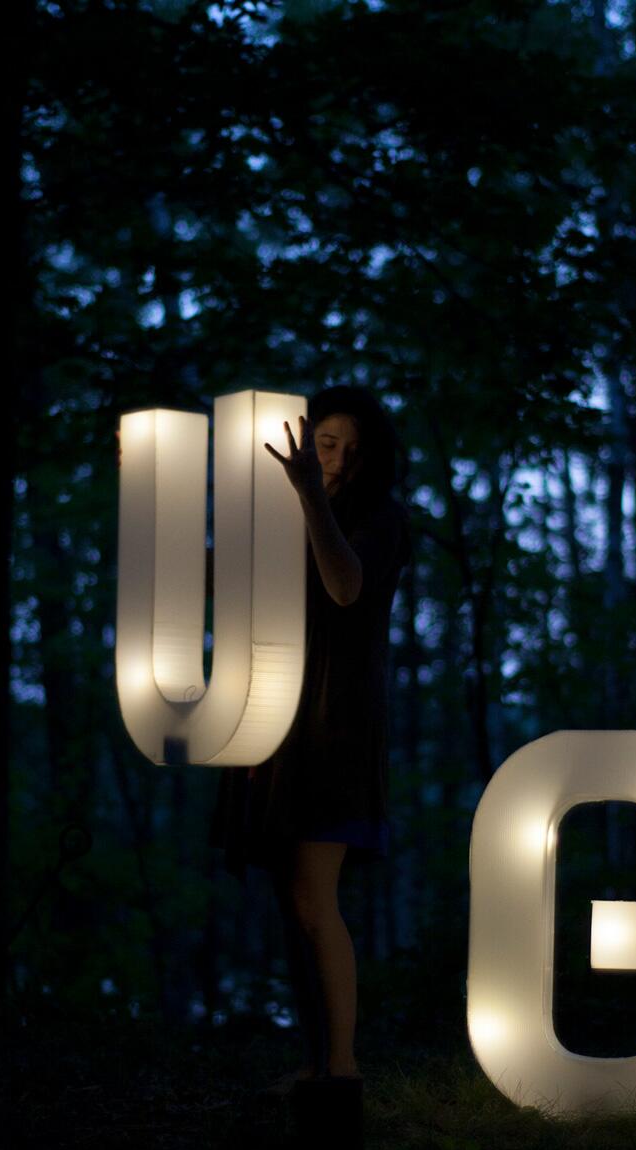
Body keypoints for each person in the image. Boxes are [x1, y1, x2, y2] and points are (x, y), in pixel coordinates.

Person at [207, 385, 413, 1093]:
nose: (336, 461)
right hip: (274, 720)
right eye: (325, 445)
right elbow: (222, 582)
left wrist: (310, 500)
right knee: (288, 897)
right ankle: (317, 1059)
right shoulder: (279, 518)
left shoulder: (383, 521)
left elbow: (345, 586)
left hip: (335, 728)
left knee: (313, 897)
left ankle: (343, 1067)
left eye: (352, 451)